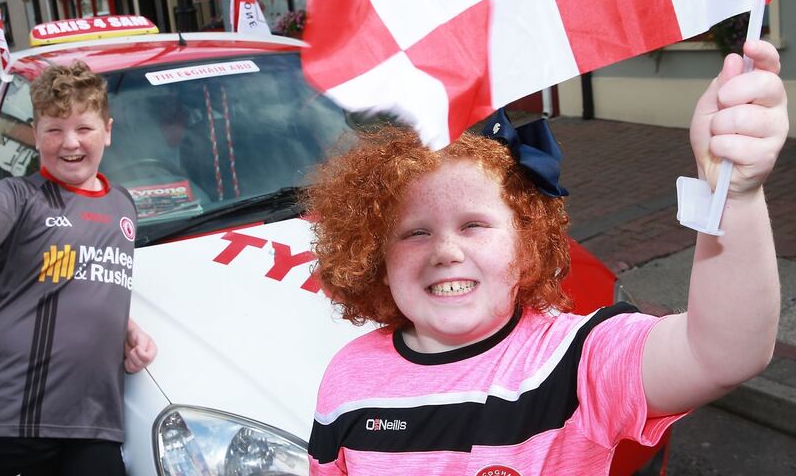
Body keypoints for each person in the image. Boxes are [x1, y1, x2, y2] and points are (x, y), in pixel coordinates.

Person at [304, 40, 787, 475]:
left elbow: (721, 353)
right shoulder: (347, 381)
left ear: (526, 243)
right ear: (375, 259)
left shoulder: (574, 362)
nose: (447, 251)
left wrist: (734, 196)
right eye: (415, 233)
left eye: (474, 224)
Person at [0, 61, 157, 476]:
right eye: (53, 130)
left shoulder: (123, 204)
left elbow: (87, 281)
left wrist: (123, 326)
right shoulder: (17, 196)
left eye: (84, 128)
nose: (70, 143)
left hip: (93, 424)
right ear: (35, 134)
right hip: (9, 421)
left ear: (108, 131)